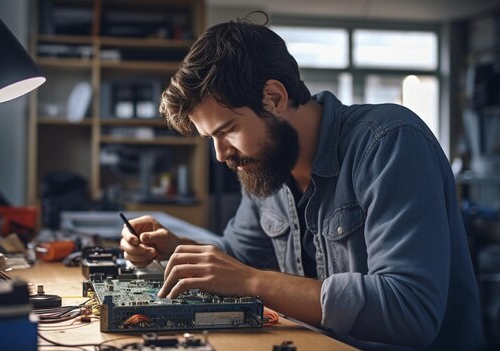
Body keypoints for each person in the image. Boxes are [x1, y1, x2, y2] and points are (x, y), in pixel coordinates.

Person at [120, 14, 485, 351]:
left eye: (228, 130)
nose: (220, 154)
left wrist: (253, 282)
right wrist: (174, 249)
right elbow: (237, 259)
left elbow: (410, 312)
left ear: (275, 97)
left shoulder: (388, 142)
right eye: (210, 138)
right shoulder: (267, 164)